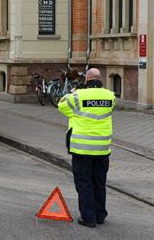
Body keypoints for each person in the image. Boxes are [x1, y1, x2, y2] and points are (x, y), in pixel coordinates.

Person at [58, 68, 116, 228]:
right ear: (100, 79)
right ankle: (100, 215)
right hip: (103, 149)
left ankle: (88, 217)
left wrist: (73, 92)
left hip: (82, 149)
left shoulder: (77, 96)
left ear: (87, 80)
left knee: (84, 183)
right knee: (99, 182)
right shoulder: (110, 96)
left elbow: (62, 105)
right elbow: (110, 110)